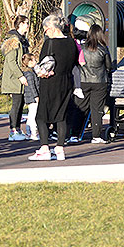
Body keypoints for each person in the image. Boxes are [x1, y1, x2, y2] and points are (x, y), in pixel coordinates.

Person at [29, 14, 79, 162]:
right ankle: (60, 148)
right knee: (61, 115)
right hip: (66, 81)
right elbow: (74, 62)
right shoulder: (71, 42)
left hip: (50, 82)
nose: (45, 33)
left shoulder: (49, 43)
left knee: (41, 116)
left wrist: (35, 67)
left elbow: (43, 67)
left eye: (45, 30)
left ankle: (44, 148)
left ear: (51, 28)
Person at [79, 24, 114, 144]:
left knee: (81, 107)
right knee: (97, 109)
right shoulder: (103, 49)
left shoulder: (82, 48)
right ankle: (96, 135)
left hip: (84, 79)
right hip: (100, 81)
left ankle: (74, 133)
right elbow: (109, 66)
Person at [0, 15, 30, 141]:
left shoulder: (23, 40)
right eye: (26, 23)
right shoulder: (13, 41)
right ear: (20, 24)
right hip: (14, 78)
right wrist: (20, 76)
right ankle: (13, 131)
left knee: (21, 104)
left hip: (20, 77)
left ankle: (17, 129)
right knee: (16, 105)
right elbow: (11, 61)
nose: (28, 26)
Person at [20, 53, 40, 140]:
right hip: (32, 98)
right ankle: (34, 133)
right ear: (30, 61)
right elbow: (32, 86)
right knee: (34, 116)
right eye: (34, 60)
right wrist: (36, 96)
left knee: (31, 115)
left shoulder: (28, 72)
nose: (36, 61)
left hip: (29, 97)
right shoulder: (30, 74)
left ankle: (29, 133)